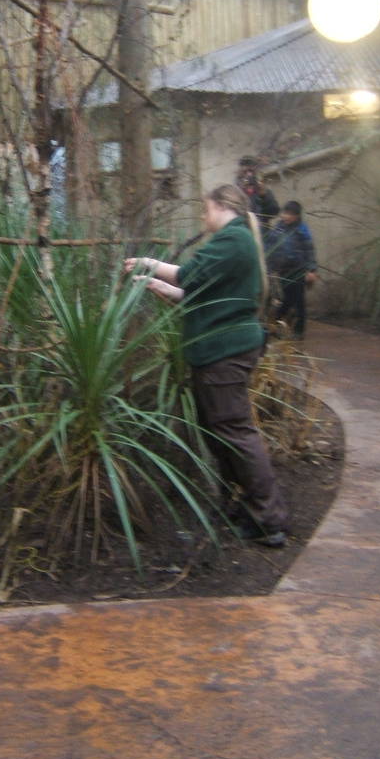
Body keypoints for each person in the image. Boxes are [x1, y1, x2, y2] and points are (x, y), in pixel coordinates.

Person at [125, 184, 292, 546]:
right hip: (219, 351)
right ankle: (245, 507)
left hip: (225, 352)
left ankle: (269, 519)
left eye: (205, 209)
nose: (203, 217)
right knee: (220, 429)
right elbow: (199, 293)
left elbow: (188, 273)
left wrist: (150, 263)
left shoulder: (234, 239)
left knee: (234, 430)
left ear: (221, 206)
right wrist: (159, 287)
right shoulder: (237, 241)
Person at [265, 200, 317, 339]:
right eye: (285, 213)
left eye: (290, 214)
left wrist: (311, 270)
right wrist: (269, 269)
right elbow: (269, 248)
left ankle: (299, 331)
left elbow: (309, 250)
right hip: (282, 270)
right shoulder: (278, 229)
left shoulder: (302, 230)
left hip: (298, 270)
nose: (285, 216)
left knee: (299, 301)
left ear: (297, 216)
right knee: (285, 300)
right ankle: (276, 324)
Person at [236, 156, 280, 228]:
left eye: (251, 171)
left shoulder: (260, 188)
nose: (249, 175)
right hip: (243, 230)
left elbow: (274, 212)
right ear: (240, 173)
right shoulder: (235, 191)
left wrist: (264, 196)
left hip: (262, 229)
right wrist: (241, 192)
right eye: (245, 172)